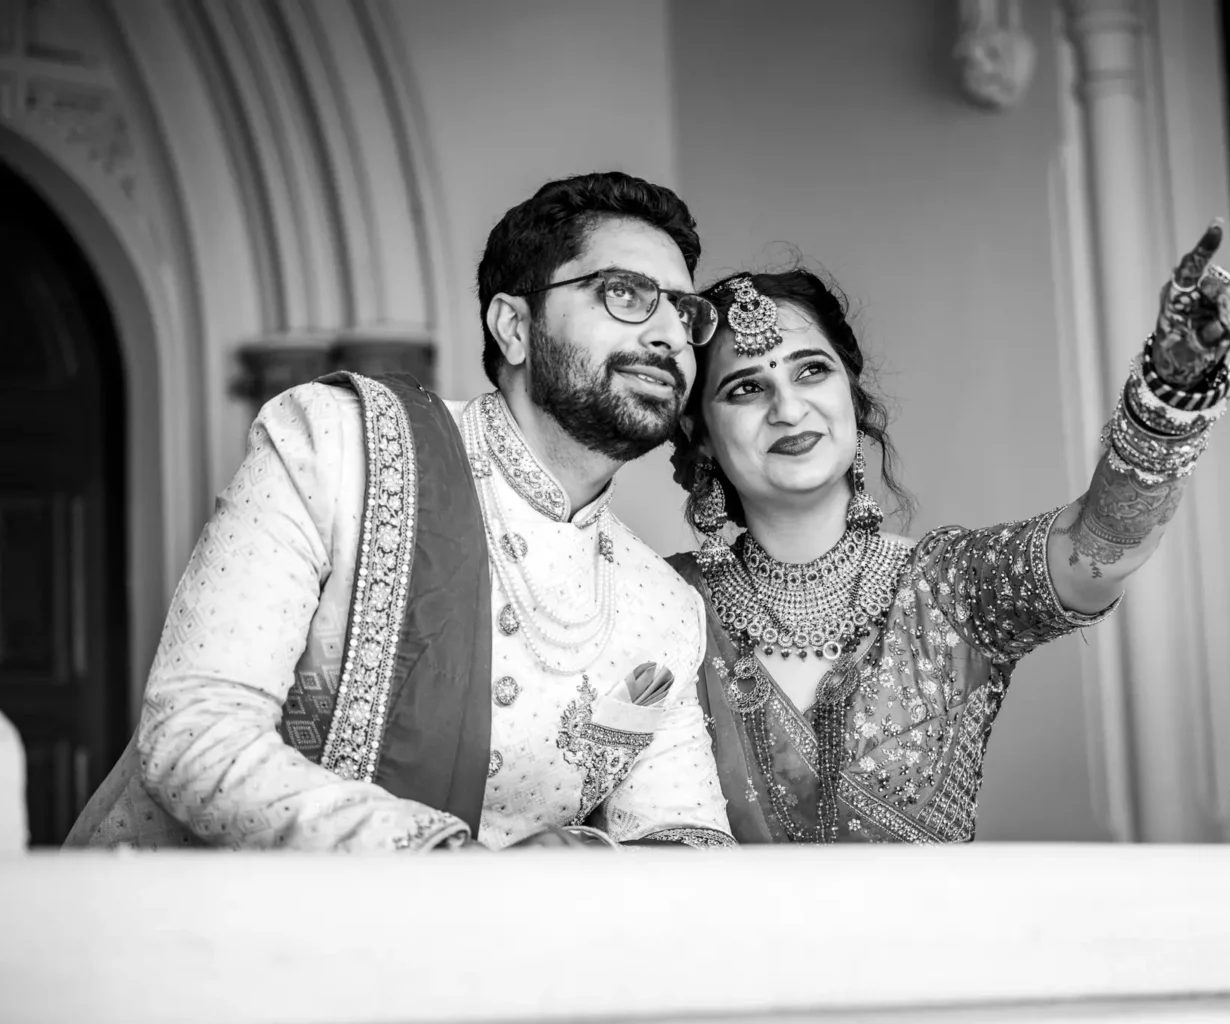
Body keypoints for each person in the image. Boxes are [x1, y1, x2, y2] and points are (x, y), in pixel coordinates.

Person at [67, 171, 737, 851]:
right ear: (514, 327)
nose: (669, 336)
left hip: (471, 955)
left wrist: (583, 856)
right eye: (624, 293)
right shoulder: (336, 445)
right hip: (197, 935)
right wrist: (442, 861)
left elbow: (687, 841)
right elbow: (195, 732)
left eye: (685, 313)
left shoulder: (664, 609)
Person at [666, 224, 1230, 843]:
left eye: (811, 371)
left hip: (937, 938)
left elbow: (1100, 549)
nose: (788, 408)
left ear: (852, 395)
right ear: (700, 432)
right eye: (746, 388)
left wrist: (1173, 391)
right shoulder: (665, 606)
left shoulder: (947, 588)